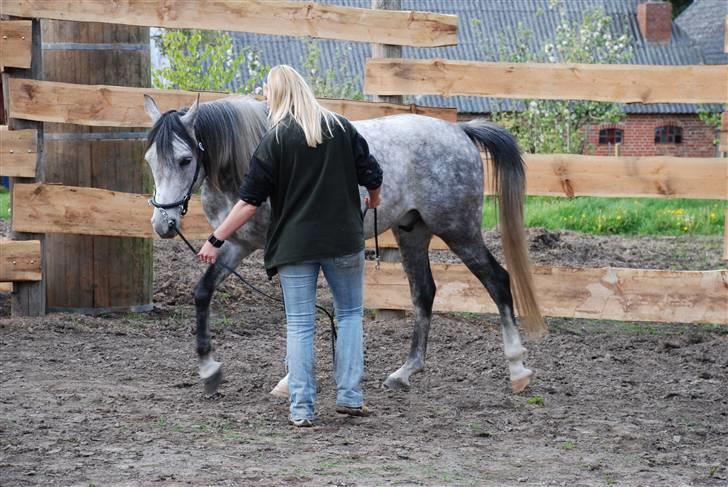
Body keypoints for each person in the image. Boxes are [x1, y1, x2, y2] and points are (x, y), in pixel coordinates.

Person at [197, 65, 383, 427]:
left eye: (266, 90)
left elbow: (248, 202)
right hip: (344, 241)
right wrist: (373, 199)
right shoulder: (342, 128)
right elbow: (373, 174)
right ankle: (349, 397)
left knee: (299, 325)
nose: (264, 96)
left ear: (279, 94)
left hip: (295, 247)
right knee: (348, 317)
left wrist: (216, 238)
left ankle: (301, 408)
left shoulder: (274, 140)